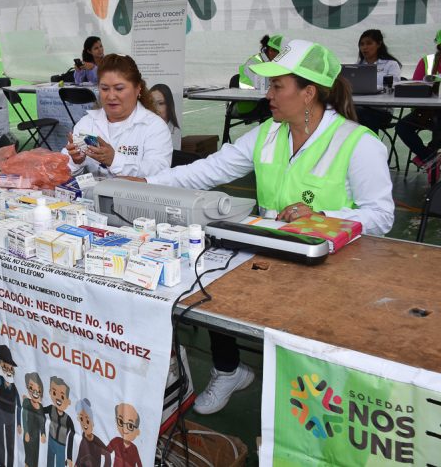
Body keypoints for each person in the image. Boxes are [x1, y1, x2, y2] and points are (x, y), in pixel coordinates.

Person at [131, 39, 394, 414]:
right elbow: (208, 170)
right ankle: (228, 368)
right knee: (208, 277)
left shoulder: (357, 143)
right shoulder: (268, 133)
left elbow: (381, 216)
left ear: (308, 93)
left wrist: (324, 220)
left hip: (334, 265)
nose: (267, 94)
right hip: (272, 250)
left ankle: (313, 401)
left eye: (276, 86)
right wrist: (149, 183)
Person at [63, 54, 173, 178]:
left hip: (134, 197)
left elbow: (159, 174)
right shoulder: (87, 123)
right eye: (104, 89)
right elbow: (62, 170)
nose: (111, 96)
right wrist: (77, 161)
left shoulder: (154, 126)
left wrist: (114, 160)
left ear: (138, 89)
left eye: (119, 89)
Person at [395, 29, 441, 178]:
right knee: (402, 126)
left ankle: (428, 159)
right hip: (426, 111)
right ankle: (430, 158)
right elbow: (415, 88)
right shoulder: (427, 62)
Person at [354, 29, 402, 134]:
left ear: (379, 44)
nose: (364, 47)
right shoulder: (357, 65)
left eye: (369, 43)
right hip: (359, 106)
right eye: (361, 44)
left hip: (382, 111)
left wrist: (372, 87)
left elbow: (393, 86)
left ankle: (372, 148)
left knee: (362, 115)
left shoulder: (391, 64)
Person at [149, 83, 181, 150]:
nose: (155, 108)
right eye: (151, 103)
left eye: (160, 103)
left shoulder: (175, 132)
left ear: (169, 105)